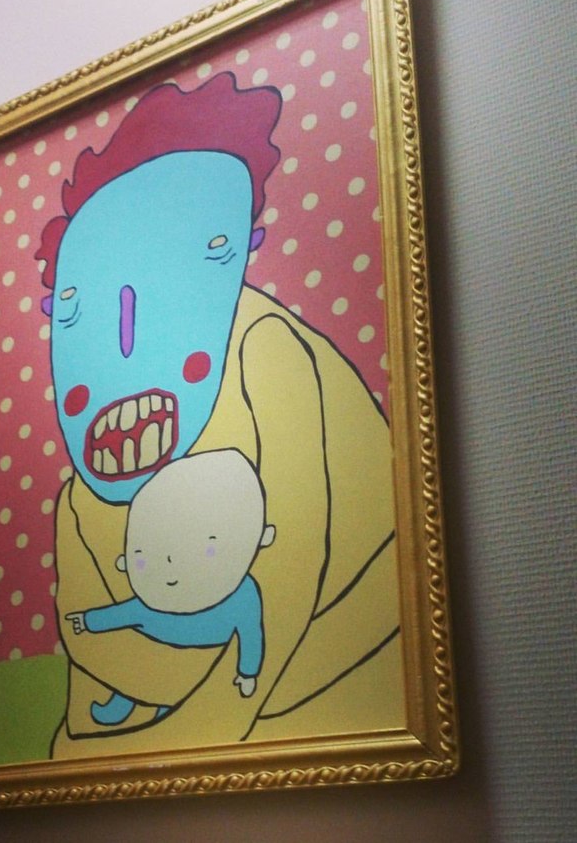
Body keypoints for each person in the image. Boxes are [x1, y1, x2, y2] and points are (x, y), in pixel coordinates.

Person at [37, 72, 402, 758]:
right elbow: (90, 668)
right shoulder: (81, 506)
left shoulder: (269, 356)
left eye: (186, 267)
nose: (125, 337)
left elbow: (292, 573)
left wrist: (195, 729)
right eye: (73, 310)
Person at [65, 449, 275, 726]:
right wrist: (88, 621)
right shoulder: (153, 602)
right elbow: (122, 614)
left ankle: (160, 714)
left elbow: (251, 635)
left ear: (261, 537)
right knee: (135, 670)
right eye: (141, 558)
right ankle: (122, 701)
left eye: (209, 550)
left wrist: (248, 672)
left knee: (171, 696)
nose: (171, 569)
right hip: (150, 648)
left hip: (196, 662)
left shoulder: (242, 595)